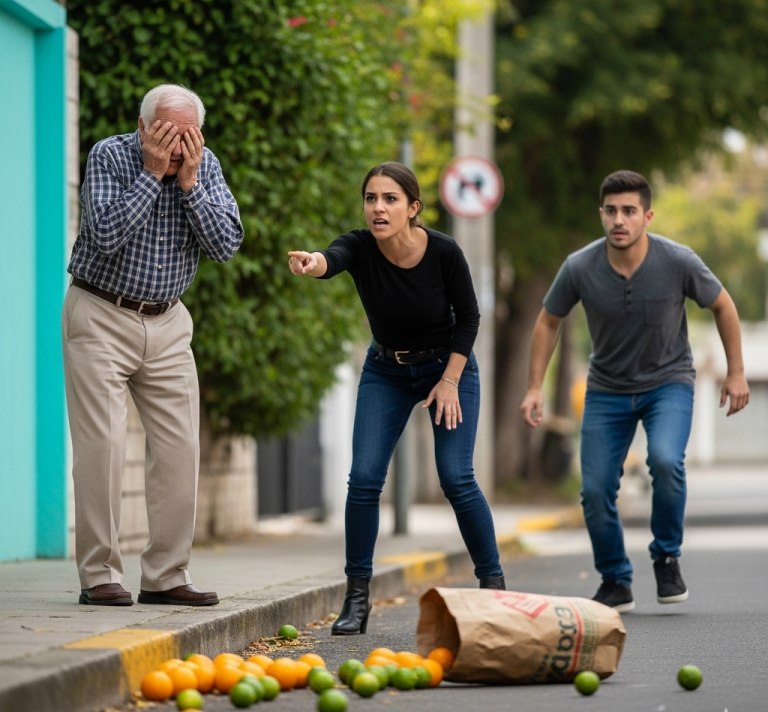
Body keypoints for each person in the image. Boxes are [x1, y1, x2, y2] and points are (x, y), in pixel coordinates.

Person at [288, 162, 505, 634]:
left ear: (413, 208)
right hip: (386, 370)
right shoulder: (360, 246)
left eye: (389, 199)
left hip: (448, 369)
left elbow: (468, 319)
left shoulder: (444, 252)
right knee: (364, 479)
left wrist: (448, 381)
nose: (378, 208)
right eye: (371, 198)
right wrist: (313, 262)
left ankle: (494, 589)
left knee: (456, 477)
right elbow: (333, 258)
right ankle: (357, 598)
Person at [520, 170, 749, 613]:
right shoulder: (580, 267)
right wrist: (534, 387)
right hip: (606, 389)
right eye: (611, 211)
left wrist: (735, 372)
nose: (618, 220)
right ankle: (615, 579)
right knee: (595, 489)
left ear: (647, 216)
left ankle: (666, 556)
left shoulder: (677, 260)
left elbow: (723, 304)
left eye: (628, 211)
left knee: (664, 460)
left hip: (668, 383)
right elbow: (549, 320)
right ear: (601, 214)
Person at [64, 83, 244, 607]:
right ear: (143, 127)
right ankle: (99, 576)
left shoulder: (202, 165)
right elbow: (102, 235)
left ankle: (166, 576)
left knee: (179, 449)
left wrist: (190, 184)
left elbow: (227, 244)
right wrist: (149, 173)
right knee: (104, 447)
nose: (177, 145)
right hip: (99, 313)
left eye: (188, 135)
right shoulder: (109, 155)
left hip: (167, 322)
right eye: (166, 132)